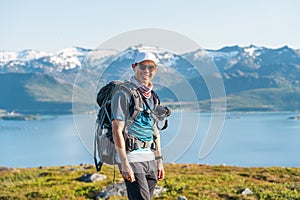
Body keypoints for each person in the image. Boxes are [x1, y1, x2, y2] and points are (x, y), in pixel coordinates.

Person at [111, 52, 164, 199]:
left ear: (156, 70)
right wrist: (124, 163)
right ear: (134, 67)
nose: (146, 71)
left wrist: (159, 161)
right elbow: (117, 130)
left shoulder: (153, 97)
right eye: (142, 66)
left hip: (150, 160)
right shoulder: (123, 94)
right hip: (133, 159)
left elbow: (155, 132)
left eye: (151, 67)